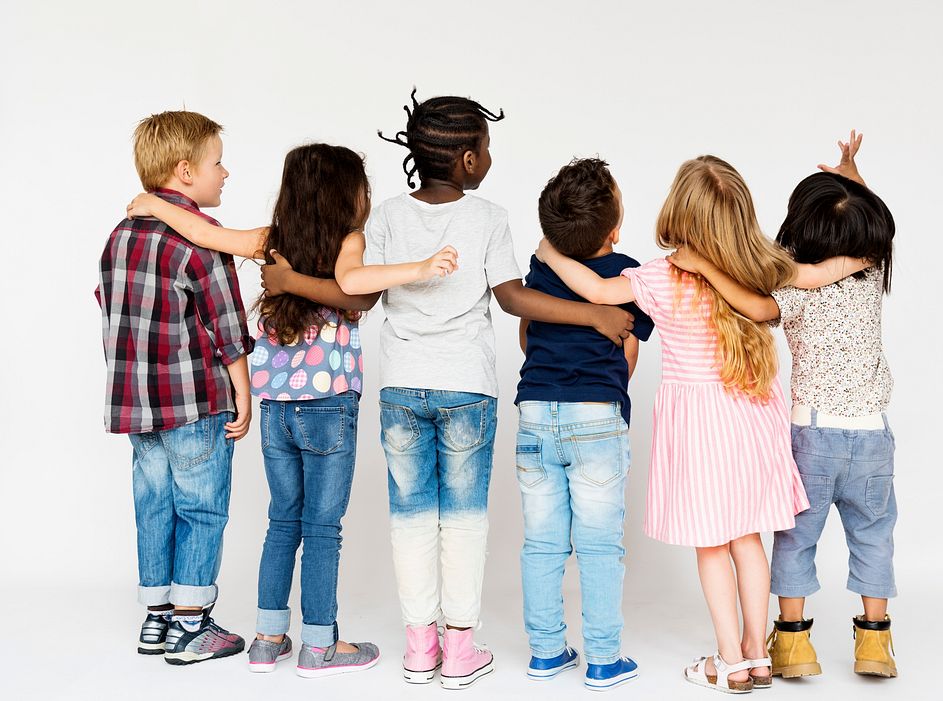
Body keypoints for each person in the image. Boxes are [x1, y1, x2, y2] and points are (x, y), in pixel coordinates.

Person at [261, 90, 634, 690]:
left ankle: (418, 648)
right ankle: (460, 650)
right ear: (466, 159)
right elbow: (513, 298)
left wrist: (291, 280)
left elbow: (357, 295)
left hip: (402, 388)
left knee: (410, 519)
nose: (488, 157)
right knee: (463, 521)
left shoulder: (384, 215)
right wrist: (591, 316)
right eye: (484, 147)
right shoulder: (488, 217)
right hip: (467, 389)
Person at [127, 143, 458, 676]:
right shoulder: (350, 241)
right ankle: (320, 646)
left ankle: (266, 639)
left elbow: (207, 235)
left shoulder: (272, 242)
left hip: (276, 407)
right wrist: (420, 267)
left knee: (282, 522)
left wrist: (156, 204)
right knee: (322, 527)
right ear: (349, 195)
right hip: (329, 406)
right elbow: (353, 289)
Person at [537, 154, 864, 694]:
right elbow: (819, 273)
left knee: (712, 544)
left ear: (679, 212)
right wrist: (867, 255)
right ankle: (759, 656)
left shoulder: (661, 276)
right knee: (747, 540)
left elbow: (595, 293)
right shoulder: (757, 266)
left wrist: (547, 249)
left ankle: (729, 659)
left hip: (698, 422)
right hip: (752, 413)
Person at [670, 132, 899, 679]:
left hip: (812, 433)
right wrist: (851, 176)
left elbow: (751, 304)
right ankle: (874, 642)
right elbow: (877, 224)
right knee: (873, 534)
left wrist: (705, 269)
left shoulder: (793, 287)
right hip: (872, 435)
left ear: (798, 227)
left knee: (796, 540)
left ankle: (793, 644)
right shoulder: (868, 270)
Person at [98, 110, 252, 665]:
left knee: (154, 506)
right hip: (193, 402)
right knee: (202, 508)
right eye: (217, 162)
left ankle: (156, 619)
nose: (226, 172)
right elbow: (227, 326)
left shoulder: (120, 235)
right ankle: (193, 626)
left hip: (137, 407)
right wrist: (243, 393)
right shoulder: (202, 240)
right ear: (186, 171)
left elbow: (110, 304)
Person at [514, 158, 654, 691]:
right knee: (599, 545)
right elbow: (629, 352)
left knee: (542, 544)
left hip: (534, 410)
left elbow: (528, 335)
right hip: (595, 414)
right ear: (614, 229)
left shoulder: (541, 272)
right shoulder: (627, 271)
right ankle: (603, 659)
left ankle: (547, 652)